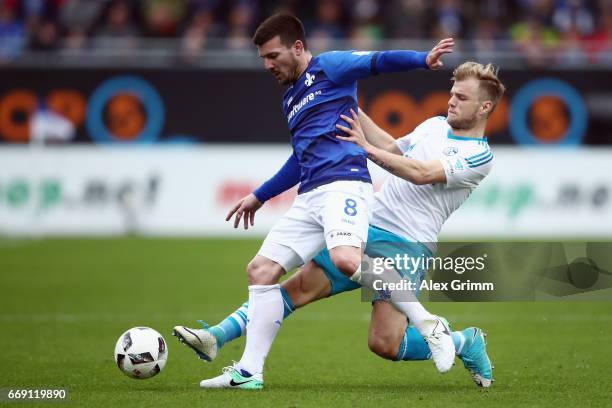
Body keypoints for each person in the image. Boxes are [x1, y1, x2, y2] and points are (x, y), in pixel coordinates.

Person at [175, 61, 504, 389]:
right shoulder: (434, 125)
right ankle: (217, 336)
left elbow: (420, 174)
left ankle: (464, 341)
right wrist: (345, 101)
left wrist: (365, 148)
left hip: (407, 244)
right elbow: (393, 148)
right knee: (296, 289)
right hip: (367, 225)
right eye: (452, 93)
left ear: (484, 106)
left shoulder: (479, 156)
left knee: (385, 343)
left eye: (461, 97)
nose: (451, 101)